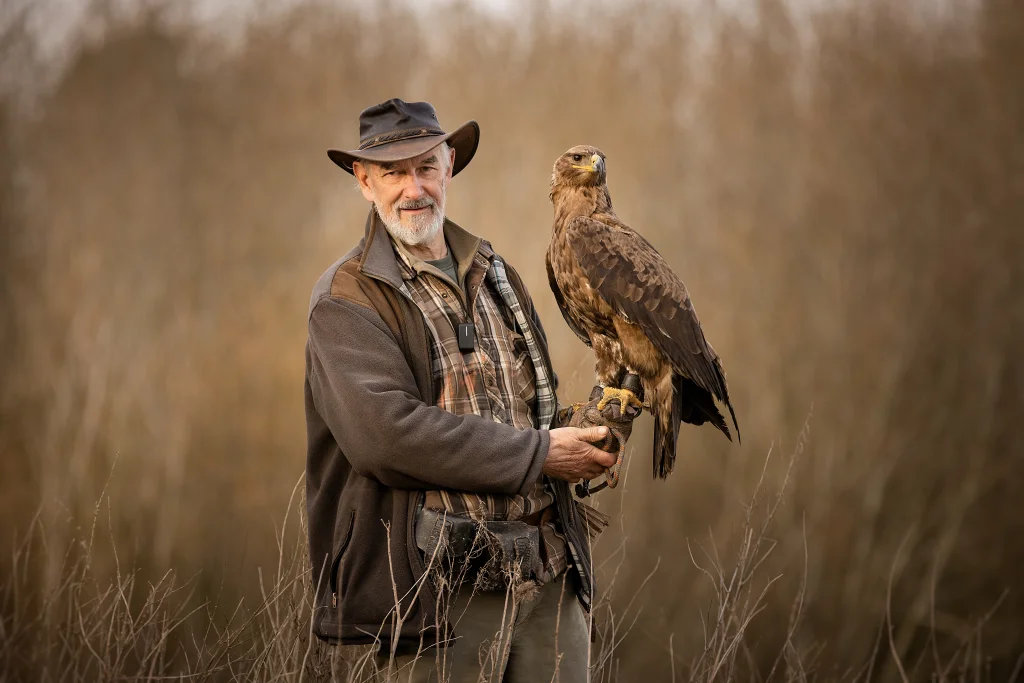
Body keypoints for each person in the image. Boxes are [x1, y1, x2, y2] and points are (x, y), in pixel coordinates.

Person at [304, 98, 635, 682]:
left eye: (426, 168)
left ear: (449, 166)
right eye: (393, 173)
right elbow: (387, 437)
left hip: (549, 579)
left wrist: (591, 434)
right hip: (434, 599)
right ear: (363, 181)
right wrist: (542, 454)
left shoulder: (497, 273)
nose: (414, 188)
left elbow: (536, 407)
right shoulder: (348, 298)